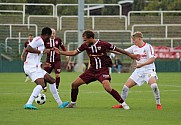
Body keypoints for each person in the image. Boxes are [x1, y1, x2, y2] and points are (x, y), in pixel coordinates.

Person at [55, 30, 140, 109]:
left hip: (102, 70)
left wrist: (131, 56)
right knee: (74, 84)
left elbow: (119, 50)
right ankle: (73, 103)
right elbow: (74, 53)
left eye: (85, 40)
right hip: (91, 71)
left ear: (91, 38)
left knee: (107, 87)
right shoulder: (85, 45)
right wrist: (60, 52)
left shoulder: (103, 44)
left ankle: (123, 104)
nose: (84, 42)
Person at [112, 31, 162, 110]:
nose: (133, 41)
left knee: (154, 86)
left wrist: (141, 65)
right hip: (138, 71)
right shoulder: (134, 47)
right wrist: (109, 50)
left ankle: (158, 104)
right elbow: (122, 52)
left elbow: (152, 59)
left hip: (148, 70)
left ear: (139, 39)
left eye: (134, 40)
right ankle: (121, 104)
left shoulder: (148, 47)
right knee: (125, 87)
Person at [23, 27, 69, 110]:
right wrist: (41, 52)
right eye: (49, 36)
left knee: (52, 81)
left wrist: (42, 65)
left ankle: (60, 104)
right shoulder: (38, 39)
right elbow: (28, 49)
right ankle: (28, 104)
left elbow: (35, 56)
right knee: (41, 85)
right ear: (46, 35)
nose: (50, 38)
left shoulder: (41, 42)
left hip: (36, 66)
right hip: (31, 67)